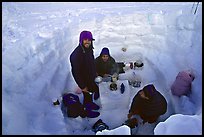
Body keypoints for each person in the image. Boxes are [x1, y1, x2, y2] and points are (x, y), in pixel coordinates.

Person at [70, 30, 100, 113]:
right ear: (81, 40)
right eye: (85, 39)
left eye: (89, 39)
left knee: (93, 90)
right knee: (87, 94)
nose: (87, 41)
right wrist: (82, 86)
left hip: (90, 77)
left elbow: (91, 62)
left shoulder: (89, 49)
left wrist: (94, 72)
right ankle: (87, 110)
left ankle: (90, 103)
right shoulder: (76, 55)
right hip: (84, 80)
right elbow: (75, 73)